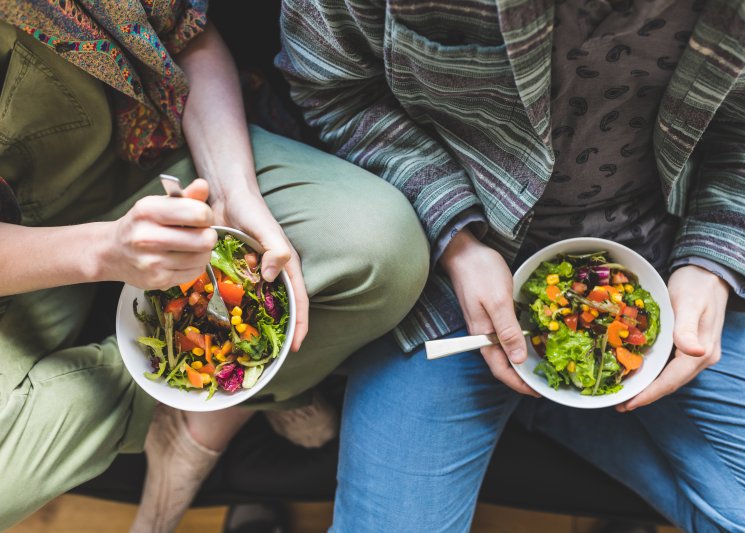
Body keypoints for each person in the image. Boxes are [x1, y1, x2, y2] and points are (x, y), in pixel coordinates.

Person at [277, 0, 745, 531]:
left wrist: (715, 258)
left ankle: (549, 405)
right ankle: (556, 403)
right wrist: (458, 242)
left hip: (668, 249)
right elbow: (333, 87)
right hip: (445, 269)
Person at [0, 2, 428, 531]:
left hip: (143, 155)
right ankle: (192, 409)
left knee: (382, 247)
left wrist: (232, 191)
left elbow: (187, 37)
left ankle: (194, 422)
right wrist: (102, 252)